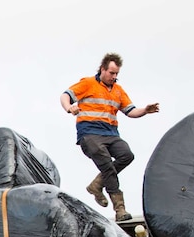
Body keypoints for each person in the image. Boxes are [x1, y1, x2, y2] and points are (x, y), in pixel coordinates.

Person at [60, 53, 159, 221]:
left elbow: (130, 111)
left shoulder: (118, 91)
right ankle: (120, 209)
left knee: (126, 155)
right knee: (107, 165)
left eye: (116, 74)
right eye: (111, 73)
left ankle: (97, 185)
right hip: (90, 133)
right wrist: (69, 107)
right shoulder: (88, 83)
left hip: (111, 134)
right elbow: (65, 96)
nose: (114, 77)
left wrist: (144, 110)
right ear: (103, 69)